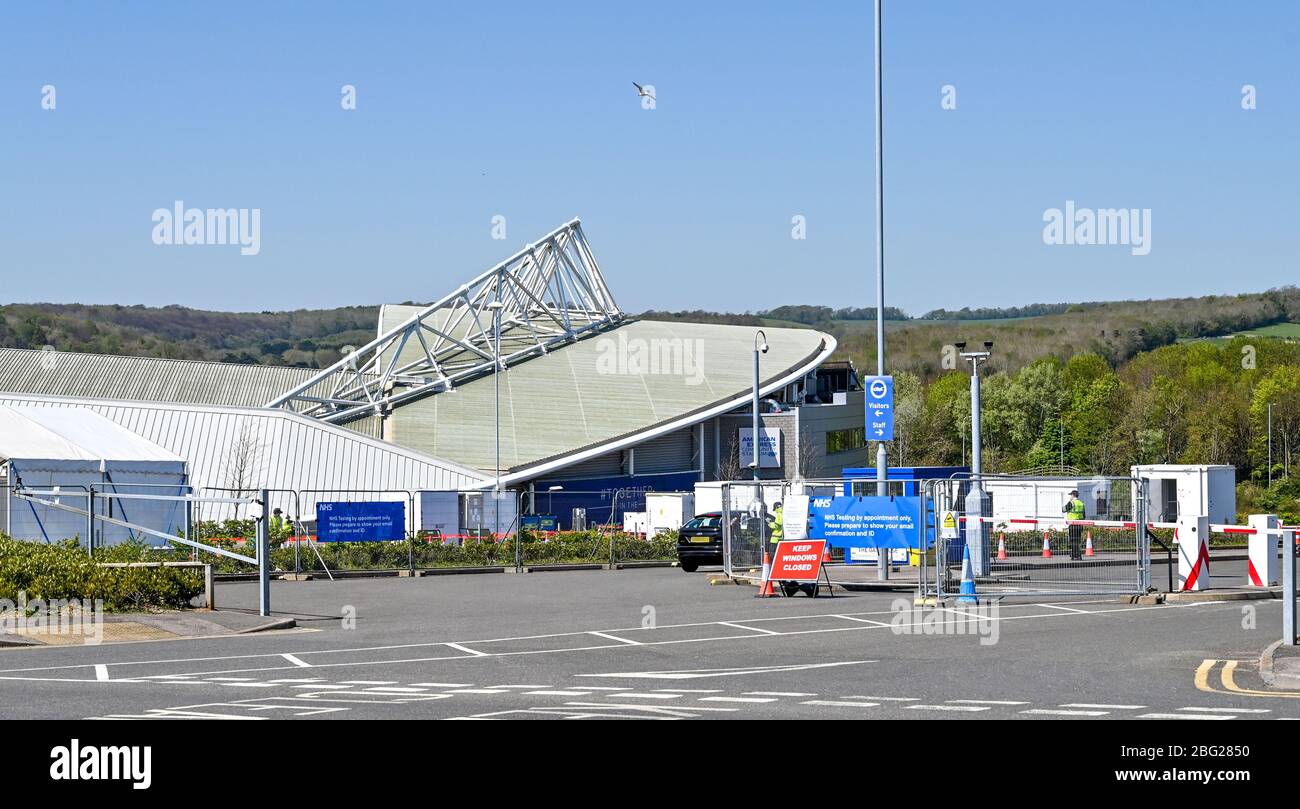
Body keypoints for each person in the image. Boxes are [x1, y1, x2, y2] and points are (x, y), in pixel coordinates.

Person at [1063, 489, 1086, 560]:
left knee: (1073, 540)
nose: (1070, 496)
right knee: (1077, 540)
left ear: (1073, 495)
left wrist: (1068, 503)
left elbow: (1063, 510)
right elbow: (1084, 515)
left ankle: (1074, 556)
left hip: (1073, 524)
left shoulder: (1071, 503)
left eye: (1071, 495)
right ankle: (1078, 555)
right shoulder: (1081, 503)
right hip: (1080, 524)